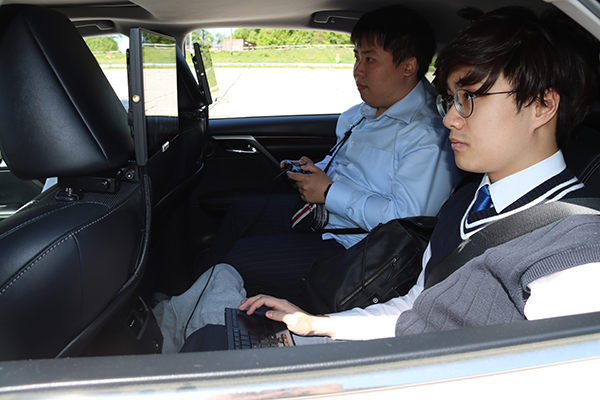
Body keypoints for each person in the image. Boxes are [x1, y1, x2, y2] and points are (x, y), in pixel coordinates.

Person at [170, 5, 600, 352]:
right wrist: (319, 325)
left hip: (400, 376)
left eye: (470, 98)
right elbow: (415, 309)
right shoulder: (468, 203)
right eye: (451, 98)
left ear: (543, 105)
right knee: (212, 340)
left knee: (209, 343)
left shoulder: (577, 254)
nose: (449, 117)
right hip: (392, 353)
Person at [193, 5, 462, 303]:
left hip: (357, 248)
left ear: (408, 66)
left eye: (370, 58)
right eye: (356, 57)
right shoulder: (365, 112)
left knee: (240, 260)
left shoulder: (427, 134)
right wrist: (318, 170)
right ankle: (187, 301)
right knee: (240, 214)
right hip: (327, 216)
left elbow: (406, 222)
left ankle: (189, 321)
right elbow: (348, 168)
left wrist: (330, 192)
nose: (357, 70)